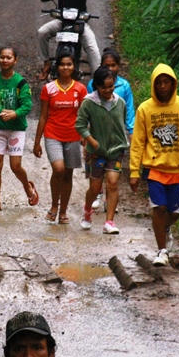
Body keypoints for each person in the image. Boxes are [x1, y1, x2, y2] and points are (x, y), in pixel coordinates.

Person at [129, 63, 179, 266]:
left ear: (173, 83)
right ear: (154, 84)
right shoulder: (145, 109)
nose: (162, 86)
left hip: (176, 169)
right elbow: (138, 143)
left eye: (166, 82)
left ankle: (165, 229)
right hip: (153, 169)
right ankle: (162, 251)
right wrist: (134, 171)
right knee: (159, 209)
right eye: (158, 82)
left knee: (173, 213)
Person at [0, 46, 39, 213]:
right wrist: (0, 112)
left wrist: (15, 114)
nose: (5, 60)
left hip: (16, 130)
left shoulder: (21, 83)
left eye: (8, 57)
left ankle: (28, 187)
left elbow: (27, 105)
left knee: (15, 166)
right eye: (2, 57)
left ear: (16, 60)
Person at [34, 51, 87, 225]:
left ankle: (63, 211)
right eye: (63, 64)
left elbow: (84, 115)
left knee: (68, 174)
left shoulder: (80, 89)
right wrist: (36, 142)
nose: (66, 67)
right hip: (52, 134)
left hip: (73, 135)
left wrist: (85, 137)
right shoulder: (48, 88)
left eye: (69, 64)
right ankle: (54, 206)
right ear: (58, 66)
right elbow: (43, 116)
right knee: (59, 170)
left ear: (74, 67)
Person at [76, 66, 129, 234]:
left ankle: (109, 221)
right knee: (95, 187)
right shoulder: (89, 102)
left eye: (111, 86)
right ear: (96, 86)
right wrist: (91, 140)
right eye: (104, 87)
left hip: (116, 150)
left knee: (113, 183)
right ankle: (87, 212)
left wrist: (124, 142)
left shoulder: (119, 102)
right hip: (96, 153)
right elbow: (80, 124)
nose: (108, 90)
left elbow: (122, 123)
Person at [86, 48, 135, 211]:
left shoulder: (123, 86)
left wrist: (131, 130)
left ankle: (109, 199)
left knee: (113, 175)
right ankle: (97, 192)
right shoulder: (93, 85)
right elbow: (87, 109)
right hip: (97, 135)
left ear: (119, 66)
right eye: (107, 65)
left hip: (116, 135)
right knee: (96, 169)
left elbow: (128, 109)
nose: (110, 69)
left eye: (113, 65)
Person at [38, 0, 101, 80]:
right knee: (42, 32)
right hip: (62, 20)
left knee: (93, 49)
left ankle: (98, 80)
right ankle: (46, 63)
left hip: (79, 21)